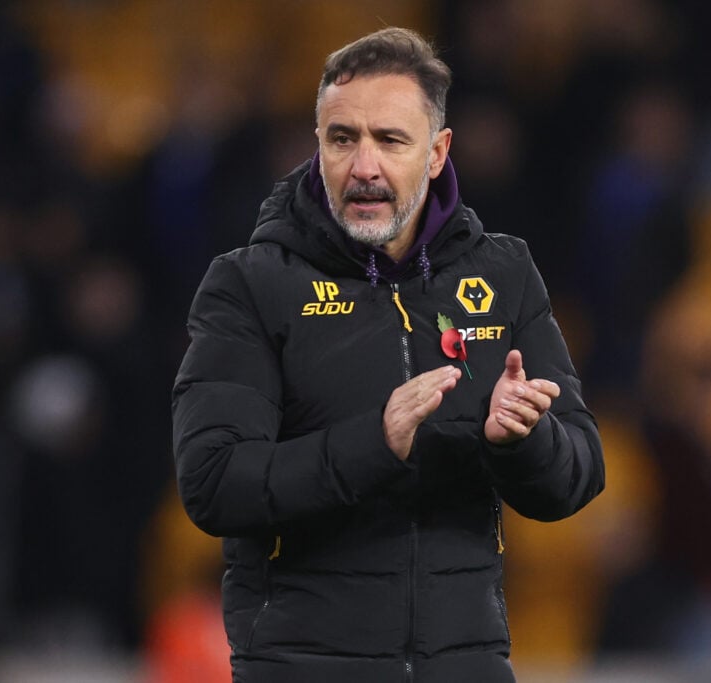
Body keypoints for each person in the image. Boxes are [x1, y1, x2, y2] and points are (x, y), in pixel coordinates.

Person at [171, 27, 604, 682]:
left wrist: (525, 439)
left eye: (390, 140)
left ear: (437, 152)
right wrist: (375, 441)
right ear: (318, 145)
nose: (364, 166)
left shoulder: (505, 273)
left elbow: (579, 473)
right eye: (343, 138)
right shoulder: (251, 285)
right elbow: (213, 482)